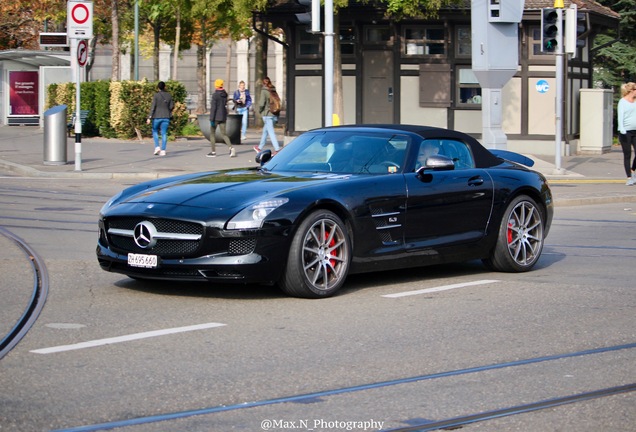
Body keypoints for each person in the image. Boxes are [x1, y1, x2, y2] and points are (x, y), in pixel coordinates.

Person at [208, 79, 236, 158]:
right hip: (223, 116)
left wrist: (211, 119)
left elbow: (213, 108)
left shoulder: (215, 95)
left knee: (212, 133)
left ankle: (213, 152)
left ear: (216, 85)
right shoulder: (225, 94)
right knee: (224, 134)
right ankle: (231, 147)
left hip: (216, 116)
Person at [254, 77, 281, 154]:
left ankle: (277, 149)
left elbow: (262, 103)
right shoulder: (273, 89)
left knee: (271, 132)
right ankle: (259, 147)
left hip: (267, 114)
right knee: (265, 131)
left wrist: (259, 111)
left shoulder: (264, 91)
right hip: (274, 113)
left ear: (263, 83)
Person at [146, 81, 174, 156]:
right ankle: (163, 150)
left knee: (155, 130)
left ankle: (157, 147)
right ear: (165, 87)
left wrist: (149, 117)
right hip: (166, 116)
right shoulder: (169, 95)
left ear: (158, 88)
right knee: (164, 133)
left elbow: (153, 107)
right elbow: (171, 106)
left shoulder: (156, 95)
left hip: (157, 117)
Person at [617, 82, 636, 186]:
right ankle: (629, 177)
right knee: (627, 154)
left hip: (635, 131)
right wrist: (622, 129)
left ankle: (633, 170)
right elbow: (620, 117)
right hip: (626, 132)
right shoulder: (622, 102)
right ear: (631, 91)